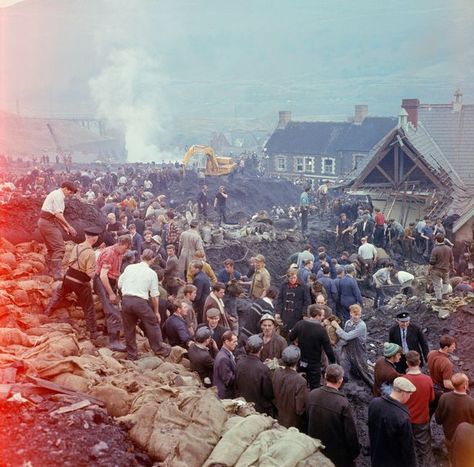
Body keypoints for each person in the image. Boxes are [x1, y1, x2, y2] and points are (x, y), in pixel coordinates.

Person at [44, 226, 101, 341]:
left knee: (60, 293)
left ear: (85, 236)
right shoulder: (91, 253)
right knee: (89, 306)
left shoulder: (76, 247)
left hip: (68, 276)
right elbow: (90, 274)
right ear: (95, 239)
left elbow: (70, 261)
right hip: (81, 282)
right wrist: (97, 274)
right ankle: (93, 333)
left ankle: (48, 310)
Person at [118, 249, 171, 360]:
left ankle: (132, 354)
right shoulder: (152, 273)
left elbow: (119, 284)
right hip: (140, 302)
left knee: (129, 328)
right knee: (152, 323)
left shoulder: (129, 268)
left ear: (141, 257)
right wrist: (156, 312)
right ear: (152, 260)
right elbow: (154, 295)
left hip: (126, 300)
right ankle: (158, 349)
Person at [307, 364, 360, 467]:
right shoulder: (342, 403)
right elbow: (350, 433)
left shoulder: (312, 394)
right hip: (336, 453)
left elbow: (307, 417)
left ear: (325, 376)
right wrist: (354, 452)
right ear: (340, 381)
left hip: (315, 448)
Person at [368, 377, 418, 467]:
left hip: (377, 458)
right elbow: (408, 449)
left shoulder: (374, 403)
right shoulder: (402, 417)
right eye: (410, 394)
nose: (410, 397)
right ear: (403, 393)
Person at [94, 234, 131, 351]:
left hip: (111, 280)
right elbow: (103, 276)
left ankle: (106, 333)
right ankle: (114, 342)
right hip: (102, 281)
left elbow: (115, 272)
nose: (125, 251)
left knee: (113, 307)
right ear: (120, 244)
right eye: (125, 248)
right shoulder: (109, 253)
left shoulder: (119, 253)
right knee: (112, 311)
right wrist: (110, 293)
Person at [288, 304, 336, 389]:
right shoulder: (321, 330)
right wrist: (333, 361)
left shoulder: (300, 324)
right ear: (317, 316)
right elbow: (328, 349)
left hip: (300, 361)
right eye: (322, 315)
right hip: (314, 364)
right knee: (315, 387)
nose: (322, 318)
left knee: (299, 385)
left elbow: (291, 337)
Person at [38, 181, 78, 279]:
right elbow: (58, 214)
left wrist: (64, 227)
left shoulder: (57, 195)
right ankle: (57, 273)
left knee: (52, 249)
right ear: (65, 188)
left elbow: (56, 215)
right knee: (60, 248)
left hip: (45, 222)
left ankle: (48, 271)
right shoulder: (58, 196)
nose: (70, 194)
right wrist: (69, 226)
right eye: (70, 192)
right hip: (47, 223)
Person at [403, 351, 435, 467]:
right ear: (419, 362)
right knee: (425, 448)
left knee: (408, 447)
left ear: (407, 363)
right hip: (422, 419)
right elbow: (431, 398)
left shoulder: (403, 380)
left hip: (406, 419)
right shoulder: (427, 380)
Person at [331, 304, 371, 386]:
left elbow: (347, 336)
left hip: (359, 350)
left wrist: (337, 327)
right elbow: (344, 337)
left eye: (358, 314)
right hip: (348, 348)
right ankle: (344, 384)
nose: (357, 317)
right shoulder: (348, 323)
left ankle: (371, 385)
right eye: (355, 314)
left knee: (363, 369)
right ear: (350, 313)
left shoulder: (361, 325)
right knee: (344, 364)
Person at [435, 373, 474, 454]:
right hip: (466, 441)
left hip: (449, 438)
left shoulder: (443, 397)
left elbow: (438, 419)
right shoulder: (471, 402)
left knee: (451, 455)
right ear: (465, 385)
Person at [235, 335, 274, 415]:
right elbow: (269, 394)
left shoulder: (239, 363)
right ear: (261, 348)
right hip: (258, 410)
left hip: (243, 406)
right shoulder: (264, 369)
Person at [272, 345, 308, 430]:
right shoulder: (301, 381)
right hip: (291, 424)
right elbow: (299, 409)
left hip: (277, 418)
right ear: (297, 361)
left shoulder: (277, 372)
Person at [275, 269, 311, 336]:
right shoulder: (284, 285)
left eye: (294, 278)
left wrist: (305, 314)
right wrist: (278, 312)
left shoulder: (303, 286)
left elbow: (307, 301)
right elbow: (280, 299)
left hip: (297, 315)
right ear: (288, 278)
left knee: (295, 333)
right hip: (285, 314)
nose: (293, 280)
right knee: (284, 332)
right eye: (291, 278)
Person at [427, 334, 456, 410]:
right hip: (441, 392)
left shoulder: (431, 353)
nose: (454, 348)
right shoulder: (447, 363)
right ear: (446, 348)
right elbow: (447, 384)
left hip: (431, 388)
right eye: (453, 347)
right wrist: (458, 387)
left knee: (430, 411)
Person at [429, 234, 454, 304]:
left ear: (436, 240)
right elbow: (452, 260)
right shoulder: (449, 249)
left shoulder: (435, 250)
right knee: (446, 283)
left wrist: (428, 270)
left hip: (436, 270)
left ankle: (439, 300)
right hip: (446, 270)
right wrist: (453, 268)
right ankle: (444, 294)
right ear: (444, 240)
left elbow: (432, 262)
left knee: (437, 285)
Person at [213, 330, 238, 399]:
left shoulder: (225, 353)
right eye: (234, 342)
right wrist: (241, 375)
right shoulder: (223, 358)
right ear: (227, 342)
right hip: (225, 395)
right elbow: (228, 380)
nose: (237, 344)